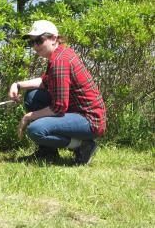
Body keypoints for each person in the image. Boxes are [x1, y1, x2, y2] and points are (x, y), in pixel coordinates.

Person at [8, 20, 106, 165]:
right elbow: (45, 81)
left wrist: (28, 116)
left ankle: (82, 145)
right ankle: (47, 152)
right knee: (32, 96)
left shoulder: (60, 62)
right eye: (32, 42)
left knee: (35, 130)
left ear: (54, 38)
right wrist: (17, 84)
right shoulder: (59, 54)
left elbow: (58, 108)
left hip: (90, 121)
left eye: (39, 40)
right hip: (78, 113)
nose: (35, 46)